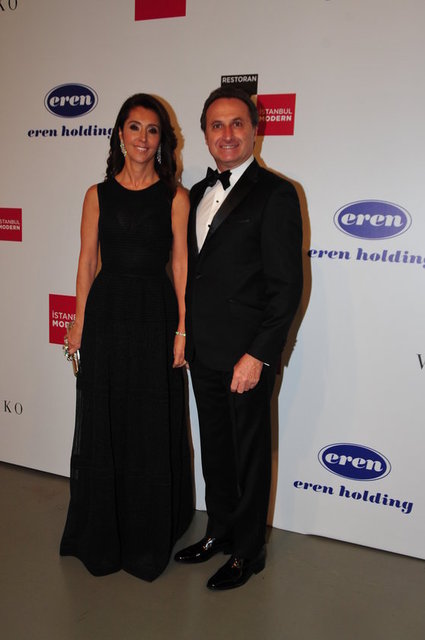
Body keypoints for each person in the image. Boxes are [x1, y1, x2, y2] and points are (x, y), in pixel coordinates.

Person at [174, 86, 303, 590]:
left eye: (236, 123)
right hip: (204, 350)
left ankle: (249, 552)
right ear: (205, 134)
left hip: (247, 356)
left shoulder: (277, 193)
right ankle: (220, 531)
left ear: (255, 129)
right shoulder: (194, 194)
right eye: (216, 125)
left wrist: (259, 355)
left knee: (249, 456)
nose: (226, 134)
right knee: (216, 450)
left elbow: (286, 287)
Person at [60, 93, 193, 581]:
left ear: (162, 141)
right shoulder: (96, 195)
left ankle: (145, 533)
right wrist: (78, 322)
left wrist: (183, 327)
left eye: (152, 130)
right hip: (107, 314)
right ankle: (102, 530)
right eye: (134, 127)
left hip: (155, 315)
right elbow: (86, 262)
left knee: (148, 422)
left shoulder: (175, 197)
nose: (142, 138)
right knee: (107, 419)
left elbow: (180, 265)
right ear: (120, 134)